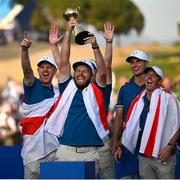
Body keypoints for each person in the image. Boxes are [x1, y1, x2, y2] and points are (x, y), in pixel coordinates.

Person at [45, 17, 109, 177]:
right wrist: (68, 31)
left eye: (85, 70)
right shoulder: (68, 87)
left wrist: (95, 46)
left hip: (90, 152)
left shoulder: (97, 90)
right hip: (65, 149)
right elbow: (64, 62)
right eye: (78, 70)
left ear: (91, 75)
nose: (80, 73)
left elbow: (103, 71)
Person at [122, 66, 180, 179]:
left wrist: (169, 146)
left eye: (153, 75)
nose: (149, 77)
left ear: (160, 81)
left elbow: (178, 125)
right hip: (144, 156)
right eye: (147, 75)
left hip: (163, 156)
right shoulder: (138, 101)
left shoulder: (169, 99)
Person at [19, 32, 61, 179]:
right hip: (32, 155)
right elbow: (26, 70)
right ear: (38, 71)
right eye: (42, 67)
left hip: (54, 151)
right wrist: (24, 50)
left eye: (49, 67)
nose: (45, 70)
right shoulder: (32, 85)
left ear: (54, 71)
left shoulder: (58, 94)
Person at [113, 49, 149, 178]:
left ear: (146, 63)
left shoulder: (155, 87)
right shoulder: (125, 89)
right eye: (132, 62)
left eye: (138, 61)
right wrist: (116, 143)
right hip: (128, 144)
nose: (135, 65)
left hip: (149, 144)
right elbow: (119, 118)